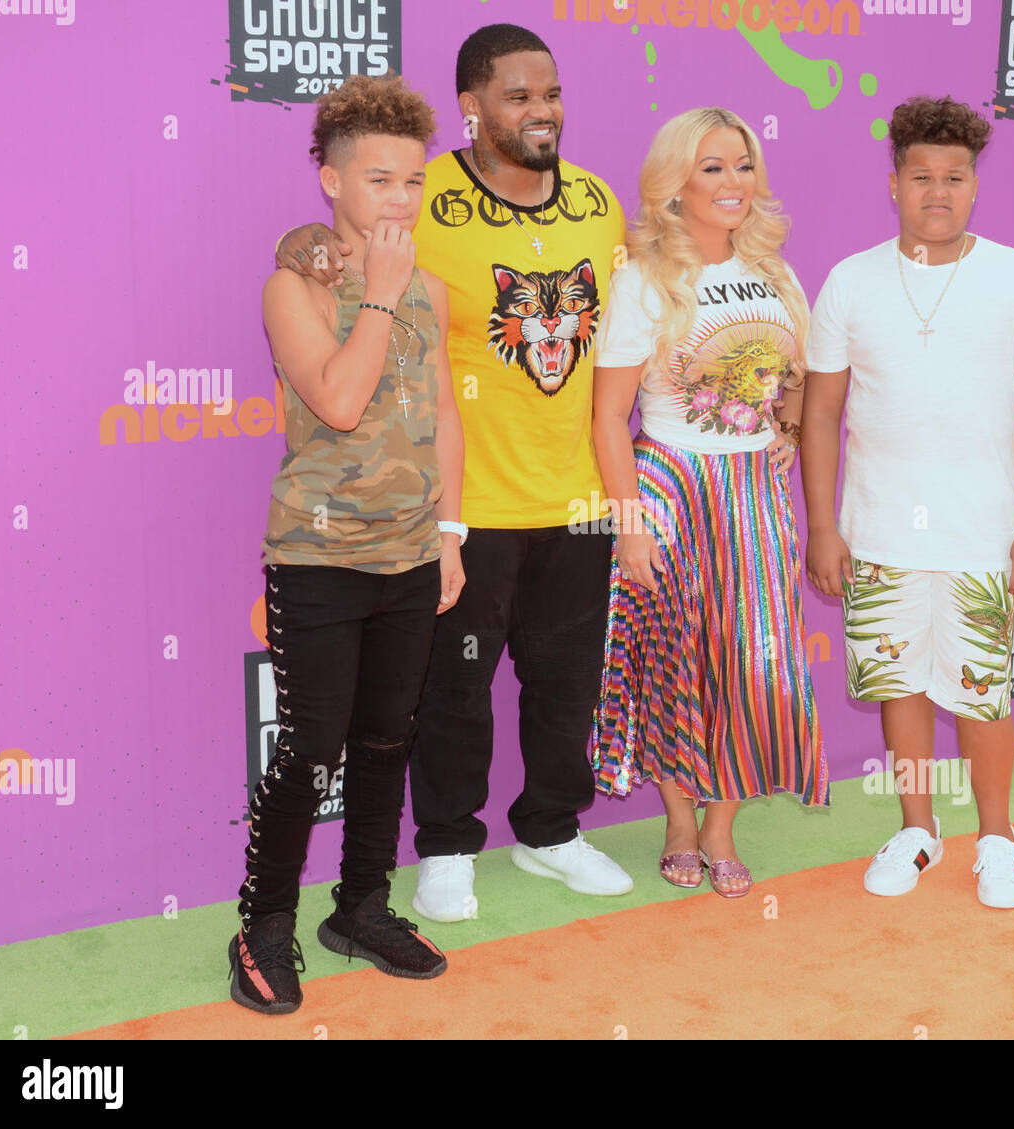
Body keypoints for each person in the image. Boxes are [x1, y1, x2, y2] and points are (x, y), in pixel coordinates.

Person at [274, 24, 632, 924]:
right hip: (466, 500)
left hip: (579, 493)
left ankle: (552, 828)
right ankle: (445, 846)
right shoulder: (422, 197)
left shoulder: (596, 200)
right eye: (518, 95)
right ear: (471, 108)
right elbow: (331, 243)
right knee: (453, 691)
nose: (541, 110)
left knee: (567, 682)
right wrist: (300, 247)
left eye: (550, 92)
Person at [801, 95, 1014, 910]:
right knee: (902, 689)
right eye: (921, 176)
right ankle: (918, 828)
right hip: (880, 532)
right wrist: (823, 525)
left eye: (954, 177)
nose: (938, 192)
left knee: (982, 694)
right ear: (893, 183)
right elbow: (820, 412)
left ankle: (999, 836)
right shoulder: (851, 281)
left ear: (974, 186)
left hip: (983, 534)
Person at [229, 73, 465, 1015]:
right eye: (377, 181)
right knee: (311, 746)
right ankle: (262, 925)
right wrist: (379, 294)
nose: (399, 201)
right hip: (318, 559)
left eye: (411, 182)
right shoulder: (293, 283)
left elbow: (445, 411)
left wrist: (449, 534)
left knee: (385, 739)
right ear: (329, 179)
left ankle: (360, 906)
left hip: (412, 556)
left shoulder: (433, 292)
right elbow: (335, 398)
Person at [589, 107, 828, 899]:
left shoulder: (777, 275)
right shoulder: (644, 280)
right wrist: (629, 526)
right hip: (669, 485)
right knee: (673, 660)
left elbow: (799, 379)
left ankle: (722, 823)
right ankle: (680, 822)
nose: (733, 183)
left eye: (742, 165)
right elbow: (607, 417)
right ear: (674, 184)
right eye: (712, 167)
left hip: (757, 493)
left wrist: (786, 428)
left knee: (755, 663)